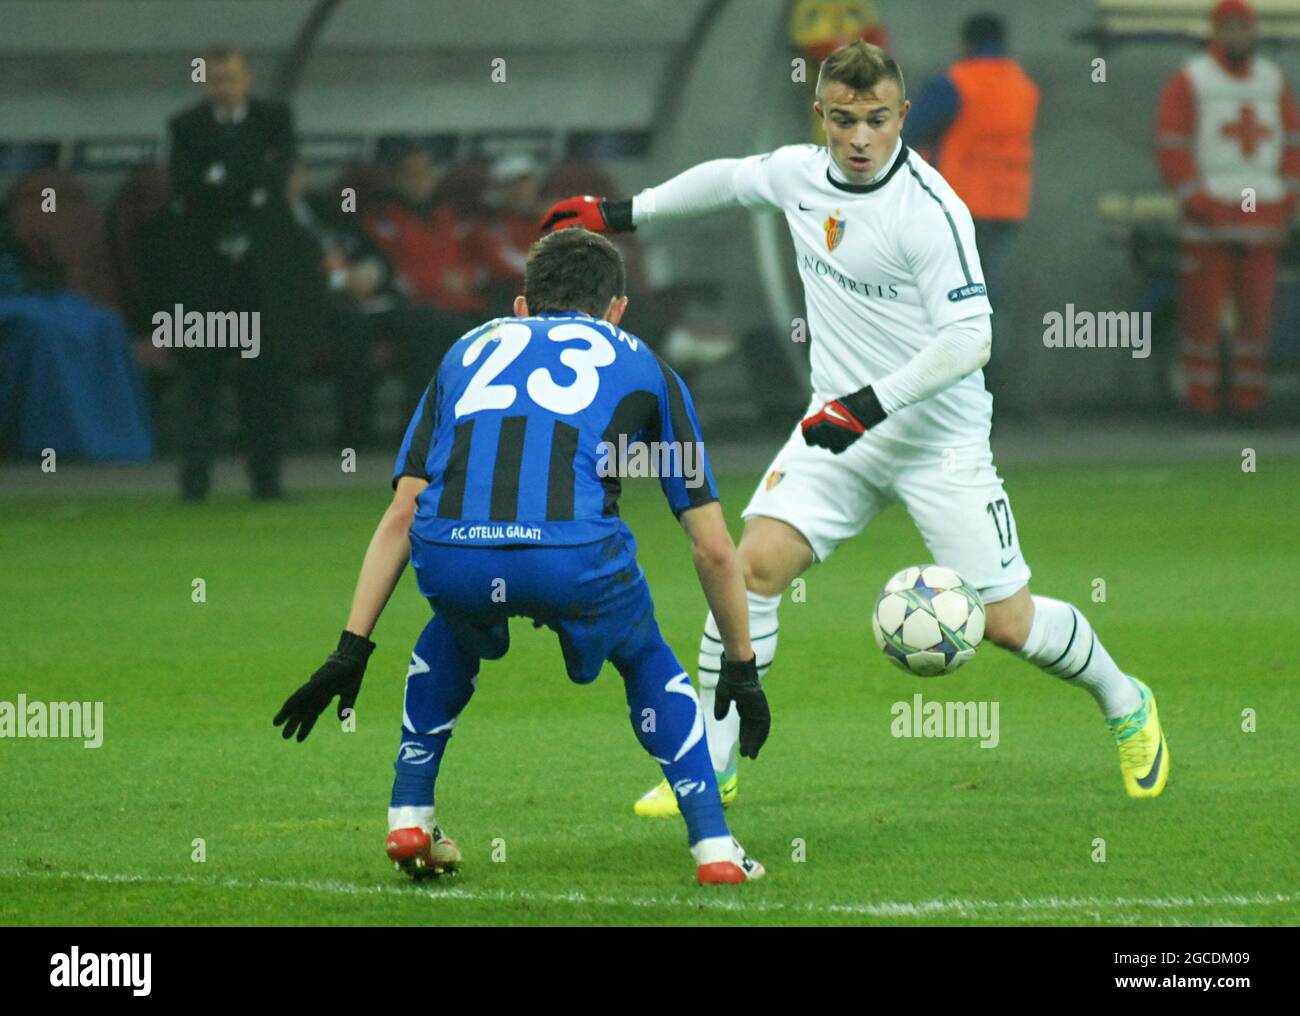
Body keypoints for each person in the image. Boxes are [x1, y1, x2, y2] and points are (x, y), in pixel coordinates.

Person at [541, 40, 1169, 818]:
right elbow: (733, 180)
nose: (861, 137)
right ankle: (715, 761)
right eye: (845, 120)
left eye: (877, 120)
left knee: (1009, 624)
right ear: (823, 117)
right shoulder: (803, 176)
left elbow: (971, 339)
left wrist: (868, 404)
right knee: (750, 569)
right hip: (836, 430)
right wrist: (622, 213)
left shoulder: (932, 212)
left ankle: (1125, 698)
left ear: (902, 115)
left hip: (936, 443)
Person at [272, 227, 770, 886]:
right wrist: (742, 665)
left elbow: (402, 513)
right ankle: (713, 847)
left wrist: (351, 647)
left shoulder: (464, 350)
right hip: (574, 556)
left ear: (520, 307)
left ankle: (409, 813)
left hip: (452, 554)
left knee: (451, 627)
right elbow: (711, 547)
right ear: (617, 308)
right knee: (644, 651)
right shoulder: (647, 363)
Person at [166, 46, 301, 501]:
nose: (223, 88)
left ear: (247, 79)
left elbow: (274, 179)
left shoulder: (274, 119)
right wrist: (246, 186)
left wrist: (222, 182)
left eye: (231, 78)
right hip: (205, 280)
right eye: (215, 80)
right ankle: (194, 486)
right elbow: (188, 187)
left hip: (260, 280)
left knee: (263, 382)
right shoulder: (185, 127)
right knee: (199, 380)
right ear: (205, 82)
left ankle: (267, 484)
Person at [1156, 0, 1300, 418]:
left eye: (1244, 27)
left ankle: (1248, 403)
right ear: (1215, 32)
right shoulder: (1191, 81)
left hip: (1264, 216)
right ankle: (1200, 402)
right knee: (1203, 314)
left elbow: (1292, 145)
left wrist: (1286, 197)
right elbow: (1172, 145)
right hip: (1210, 217)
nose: (1237, 36)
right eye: (1229, 27)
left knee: (1256, 318)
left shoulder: (1273, 82)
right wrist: (1199, 202)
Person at [904, 13, 1039, 386]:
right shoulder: (1022, 86)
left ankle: (948, 392)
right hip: (1007, 205)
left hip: (958, 208)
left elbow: (911, 132)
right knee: (989, 301)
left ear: (966, 43)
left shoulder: (956, 82)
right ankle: (987, 389)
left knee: (943, 303)